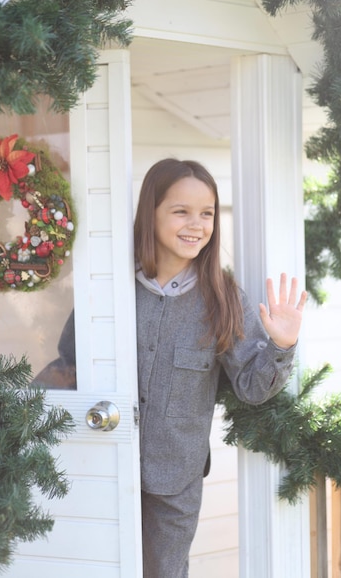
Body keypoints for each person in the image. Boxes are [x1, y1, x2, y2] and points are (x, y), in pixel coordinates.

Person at [133, 158, 307, 578]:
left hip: (176, 480)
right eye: (181, 211)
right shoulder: (114, 286)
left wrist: (281, 345)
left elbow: (251, 384)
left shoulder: (222, 296)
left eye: (206, 213)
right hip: (106, 466)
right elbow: (69, 361)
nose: (197, 224)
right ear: (150, 214)